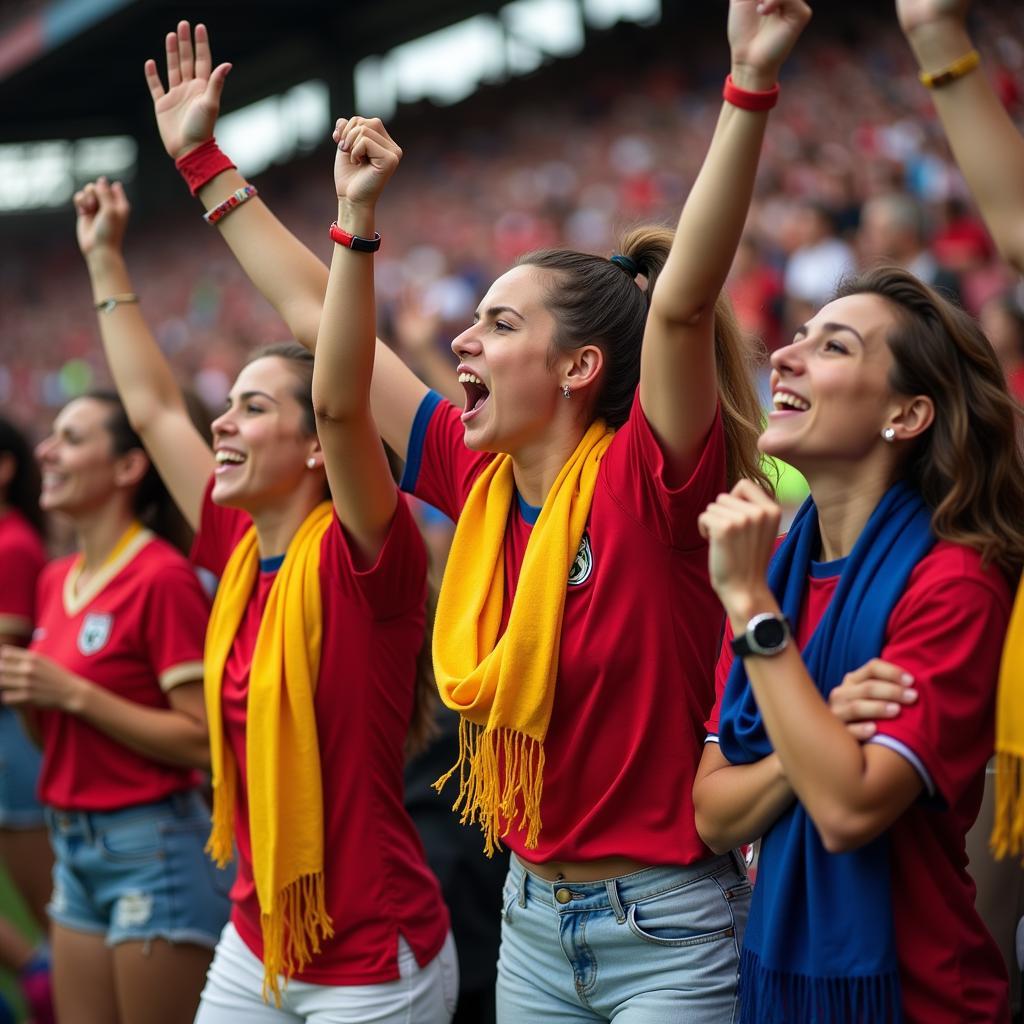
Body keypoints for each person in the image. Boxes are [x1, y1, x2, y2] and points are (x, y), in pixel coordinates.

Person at [317, 1, 815, 1018]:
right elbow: (326, 350)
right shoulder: (478, 473)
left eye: (498, 323)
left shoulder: (649, 479)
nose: (460, 341)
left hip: (668, 930)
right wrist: (272, 194)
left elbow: (678, 303)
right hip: (531, 920)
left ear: (581, 366)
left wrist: (747, 83)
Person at [691, 36, 1024, 1013]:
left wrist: (755, 615)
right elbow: (712, 811)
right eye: (795, 335)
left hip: (916, 994)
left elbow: (846, 809)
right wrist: (824, 723)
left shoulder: (953, 581)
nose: (785, 358)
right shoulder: (780, 556)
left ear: (904, 413)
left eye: (830, 346)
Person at [75, 164, 455, 1018]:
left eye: (252, 410)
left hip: (370, 955)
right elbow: (152, 409)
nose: (221, 423)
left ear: (316, 446)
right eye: (230, 406)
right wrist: (105, 260)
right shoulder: (240, 545)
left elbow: (346, 405)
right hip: (260, 938)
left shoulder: (366, 557)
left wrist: (349, 220)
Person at [0, 387, 232, 1024]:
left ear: (129, 469)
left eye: (72, 439)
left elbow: (202, 741)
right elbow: (57, 742)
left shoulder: (161, 576)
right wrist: (29, 695)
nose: (46, 449)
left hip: (150, 846)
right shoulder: (56, 577)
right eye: (51, 435)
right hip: (73, 846)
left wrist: (71, 692)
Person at [0, 416, 54, 1024]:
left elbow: (9, 663)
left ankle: (52, 991)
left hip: (15, 745)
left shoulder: (14, 543)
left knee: (48, 910)